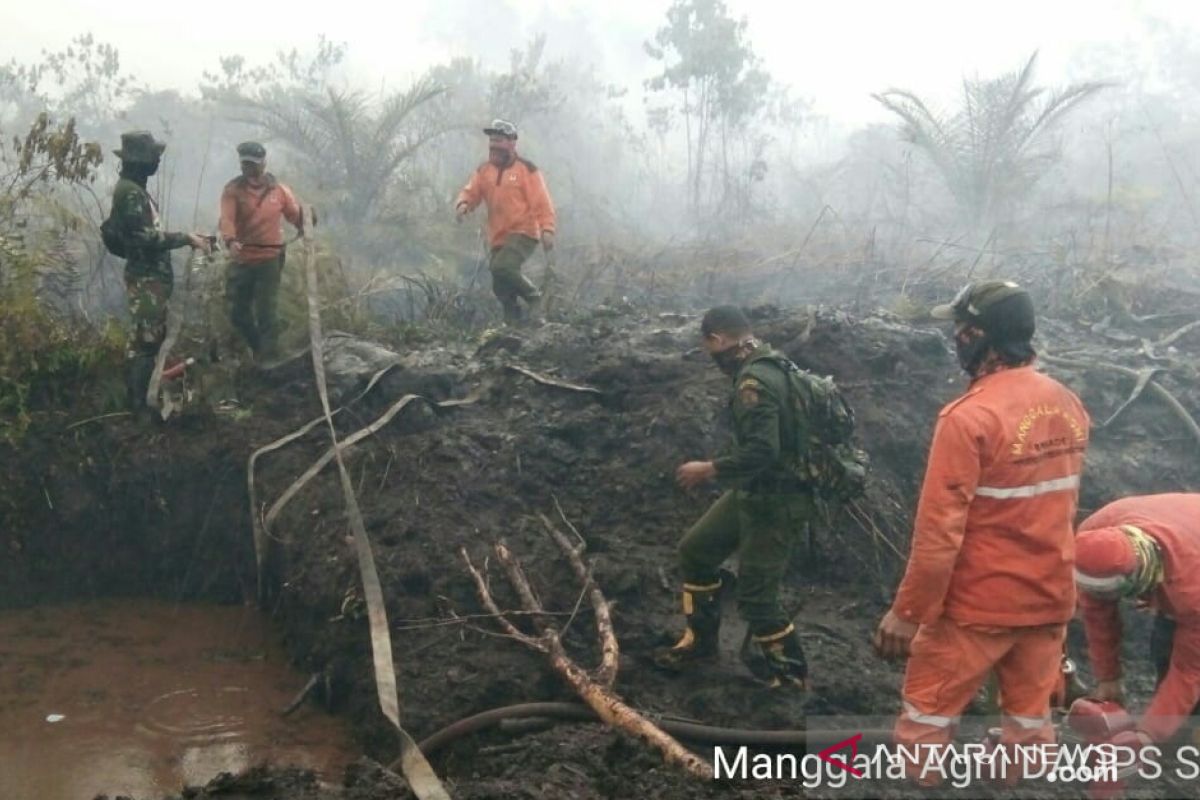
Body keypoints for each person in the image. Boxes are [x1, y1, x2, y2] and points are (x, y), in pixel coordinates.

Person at [872, 281, 1089, 779]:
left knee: (928, 715)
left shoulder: (968, 419)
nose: (956, 339)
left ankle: (918, 784)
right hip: (1049, 598)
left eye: (960, 329)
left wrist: (908, 612)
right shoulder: (1067, 403)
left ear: (977, 336)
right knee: (1030, 720)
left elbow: (938, 535)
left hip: (978, 606)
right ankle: (1024, 785)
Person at [653, 305, 812, 690]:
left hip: (778, 498)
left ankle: (790, 677)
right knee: (697, 549)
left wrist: (710, 468)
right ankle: (701, 643)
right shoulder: (773, 362)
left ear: (716, 339)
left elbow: (763, 450)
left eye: (708, 346)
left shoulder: (753, 382)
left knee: (757, 595)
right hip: (754, 489)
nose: (710, 355)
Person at [1074, 493, 1200, 747]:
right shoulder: (1093, 535)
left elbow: (1189, 669)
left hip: (1192, 565)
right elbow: (1097, 613)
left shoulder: (1192, 590)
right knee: (1164, 651)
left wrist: (1147, 735)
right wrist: (1108, 678)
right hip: (1185, 536)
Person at [109, 130, 210, 415]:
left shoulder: (134, 189)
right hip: (146, 280)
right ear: (141, 162)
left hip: (151, 279)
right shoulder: (130, 193)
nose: (156, 163)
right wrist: (185, 238)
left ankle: (141, 400)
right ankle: (140, 407)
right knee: (146, 343)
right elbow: (142, 238)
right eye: (153, 158)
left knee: (145, 340)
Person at [454, 119, 555, 325]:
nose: (494, 145)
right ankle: (512, 320)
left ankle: (534, 298)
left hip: (524, 232)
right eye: (491, 140)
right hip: (498, 236)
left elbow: (542, 201)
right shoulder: (484, 171)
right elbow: (472, 191)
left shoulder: (527, 170)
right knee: (499, 284)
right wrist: (463, 204)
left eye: (499, 140)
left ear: (511, 143)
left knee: (503, 267)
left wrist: (547, 228)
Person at [218, 141, 305, 362]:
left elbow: (295, 215)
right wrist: (230, 241)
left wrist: (306, 222)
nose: (250, 168)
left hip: (270, 259)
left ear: (264, 163)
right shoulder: (233, 191)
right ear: (241, 164)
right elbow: (227, 219)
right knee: (238, 313)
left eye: (254, 164)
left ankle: (270, 358)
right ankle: (258, 348)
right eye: (246, 164)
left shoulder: (280, 191)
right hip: (244, 259)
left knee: (267, 312)